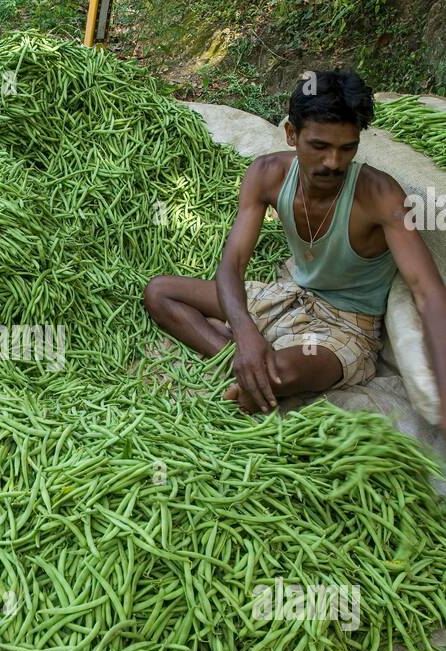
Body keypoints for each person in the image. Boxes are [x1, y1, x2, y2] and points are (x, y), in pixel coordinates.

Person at [144, 70, 446, 431]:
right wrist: (245, 334)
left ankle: (252, 367)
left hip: (345, 326)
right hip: (288, 295)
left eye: (346, 148)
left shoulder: (380, 195)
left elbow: (428, 294)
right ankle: (246, 360)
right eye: (319, 146)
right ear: (291, 134)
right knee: (159, 293)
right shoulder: (267, 175)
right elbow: (232, 265)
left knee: (275, 375)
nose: (333, 162)